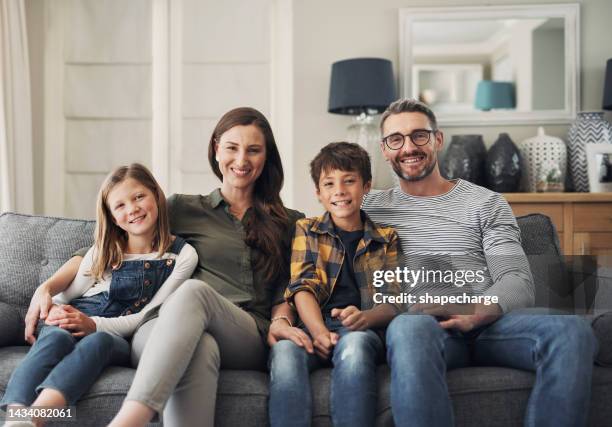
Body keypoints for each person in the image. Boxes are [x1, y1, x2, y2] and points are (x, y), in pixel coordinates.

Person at [361, 98, 598, 427]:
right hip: (424, 327)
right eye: (395, 140)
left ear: (438, 139)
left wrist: (474, 311)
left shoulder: (484, 203)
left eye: (419, 136)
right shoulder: (368, 209)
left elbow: (516, 279)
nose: (408, 148)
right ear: (385, 150)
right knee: (409, 327)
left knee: (573, 331)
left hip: (490, 326)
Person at [98, 107, 304, 427]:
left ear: (267, 157)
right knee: (200, 346)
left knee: (196, 291)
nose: (242, 159)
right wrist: (48, 288)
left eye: (254, 149)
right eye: (232, 147)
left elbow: (289, 288)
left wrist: (281, 320)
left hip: (245, 332)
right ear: (216, 150)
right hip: (164, 327)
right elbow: (109, 244)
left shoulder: (291, 222)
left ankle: (129, 420)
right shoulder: (182, 208)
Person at [1, 163, 198, 427]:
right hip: (74, 315)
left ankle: (35, 417)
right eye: (120, 205)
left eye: (139, 196)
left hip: (113, 333)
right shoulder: (104, 250)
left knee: (100, 341)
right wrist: (57, 311)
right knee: (58, 338)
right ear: (113, 217)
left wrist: (93, 325)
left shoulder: (182, 255)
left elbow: (148, 315)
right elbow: (67, 296)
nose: (133, 209)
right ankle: (19, 417)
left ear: (156, 195)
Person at [268, 142, 402, 427]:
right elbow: (302, 287)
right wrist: (317, 332)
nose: (339, 190)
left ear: (366, 186)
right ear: (318, 193)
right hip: (313, 324)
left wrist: (364, 317)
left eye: (349, 181)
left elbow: (393, 301)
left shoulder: (386, 237)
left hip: (362, 328)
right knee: (284, 352)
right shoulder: (308, 229)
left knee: (354, 349)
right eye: (329, 183)